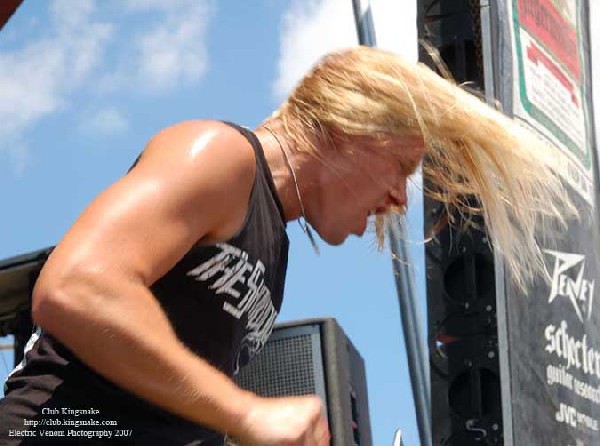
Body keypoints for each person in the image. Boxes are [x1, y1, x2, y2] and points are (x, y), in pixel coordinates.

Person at [0, 46, 572, 445]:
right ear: (352, 125)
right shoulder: (219, 155)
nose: (400, 198)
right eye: (401, 166)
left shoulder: (275, 256)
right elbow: (76, 287)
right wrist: (247, 412)